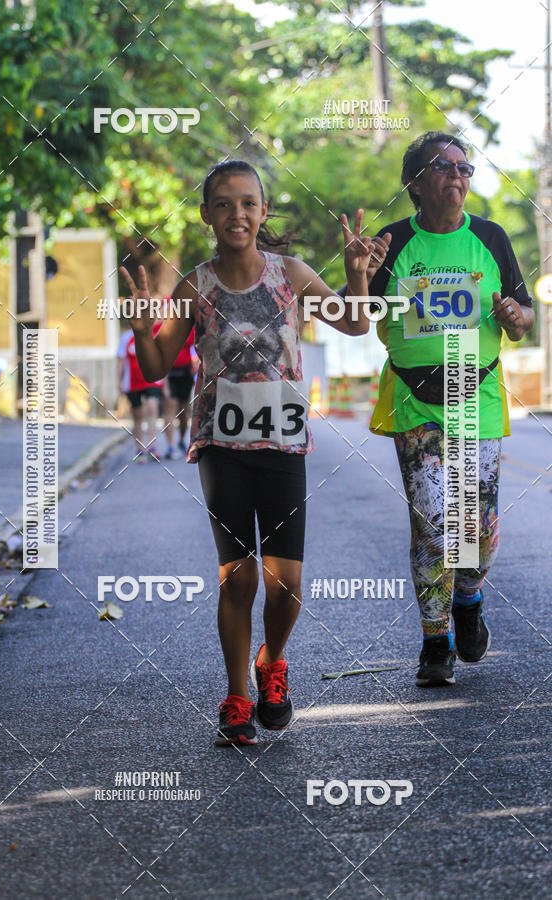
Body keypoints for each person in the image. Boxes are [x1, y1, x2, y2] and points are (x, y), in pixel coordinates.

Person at [120, 159, 373, 745]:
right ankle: (237, 695)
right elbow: (157, 367)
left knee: (286, 583)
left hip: (284, 445)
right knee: (239, 577)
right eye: (225, 203)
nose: (238, 213)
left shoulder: (291, 273)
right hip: (221, 447)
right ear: (208, 214)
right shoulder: (197, 286)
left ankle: (271, 663)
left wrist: (356, 272)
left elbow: (356, 324)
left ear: (263, 211)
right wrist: (139, 330)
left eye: (249, 203)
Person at [365, 131, 534, 687]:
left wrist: (514, 316)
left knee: (476, 530)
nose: (457, 175)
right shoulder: (391, 241)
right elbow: (361, 314)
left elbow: (525, 315)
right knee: (435, 525)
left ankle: (468, 598)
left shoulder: (489, 236)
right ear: (415, 183)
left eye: (465, 167)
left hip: (475, 393)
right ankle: (434, 645)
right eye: (443, 166)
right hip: (415, 399)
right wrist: (356, 271)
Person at [117, 322, 164, 462]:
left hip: (151, 380)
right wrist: (119, 381)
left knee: (152, 407)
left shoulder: (153, 335)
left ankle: (152, 447)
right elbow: (120, 360)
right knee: (137, 415)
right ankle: (139, 449)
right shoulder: (126, 338)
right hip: (132, 382)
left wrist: (164, 382)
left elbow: (161, 359)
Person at [163, 323, 195, 459]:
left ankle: (181, 440)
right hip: (169, 373)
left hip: (186, 374)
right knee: (170, 409)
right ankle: (170, 446)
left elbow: (196, 349)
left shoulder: (190, 328)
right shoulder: (164, 328)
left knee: (184, 412)